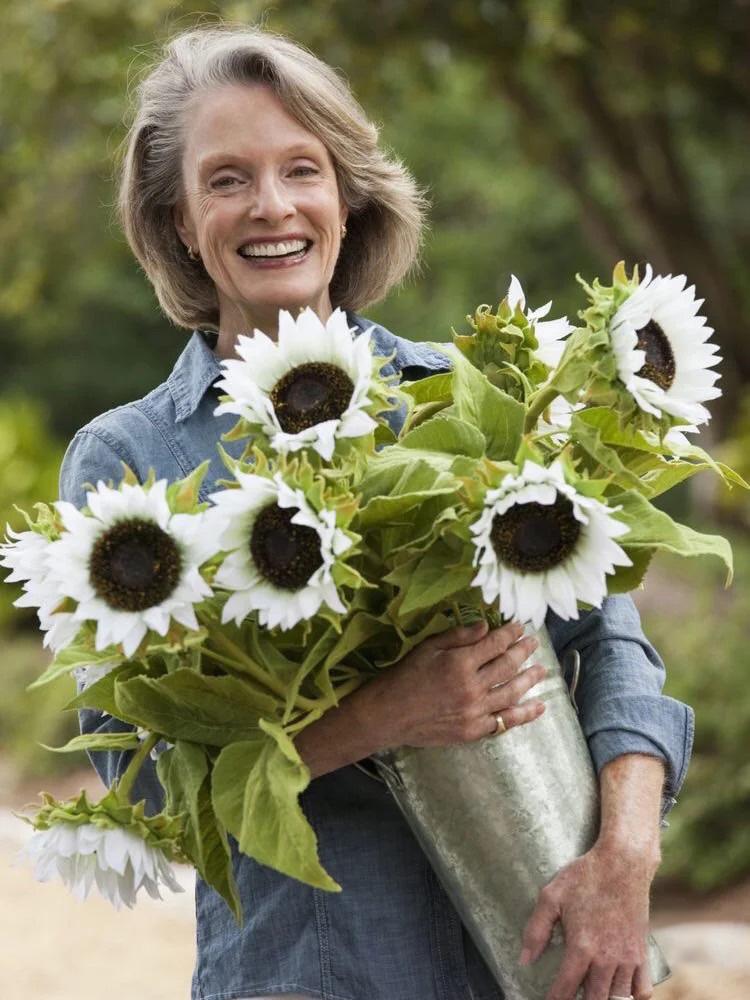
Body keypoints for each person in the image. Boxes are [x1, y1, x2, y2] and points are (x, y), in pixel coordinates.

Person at [59, 24, 693, 1000]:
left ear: (347, 197)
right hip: (312, 973)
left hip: (534, 959)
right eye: (227, 180)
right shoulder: (129, 462)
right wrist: (378, 719)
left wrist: (627, 859)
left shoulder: (466, 399)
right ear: (179, 221)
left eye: (300, 169)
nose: (272, 206)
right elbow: (148, 788)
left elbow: (610, 646)